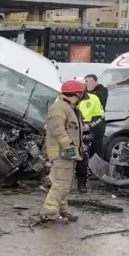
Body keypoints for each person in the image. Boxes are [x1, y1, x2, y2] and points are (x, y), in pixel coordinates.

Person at [40, 79, 85, 224]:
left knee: (66, 182)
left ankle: (62, 209)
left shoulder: (68, 107)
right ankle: (50, 212)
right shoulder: (59, 107)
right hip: (62, 152)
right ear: (76, 93)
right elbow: (58, 130)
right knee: (61, 183)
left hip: (68, 152)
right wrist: (69, 147)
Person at [74, 77, 104, 193]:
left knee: (83, 159)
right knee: (66, 157)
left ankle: (82, 184)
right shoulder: (65, 98)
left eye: (80, 85)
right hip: (69, 132)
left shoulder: (93, 99)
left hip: (84, 133)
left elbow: (100, 116)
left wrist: (89, 125)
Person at [84, 74, 108, 158]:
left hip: (97, 124)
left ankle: (97, 168)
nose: (89, 83)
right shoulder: (82, 94)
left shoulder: (101, 91)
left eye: (91, 81)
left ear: (96, 82)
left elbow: (99, 98)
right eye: (86, 81)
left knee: (97, 148)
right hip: (86, 124)